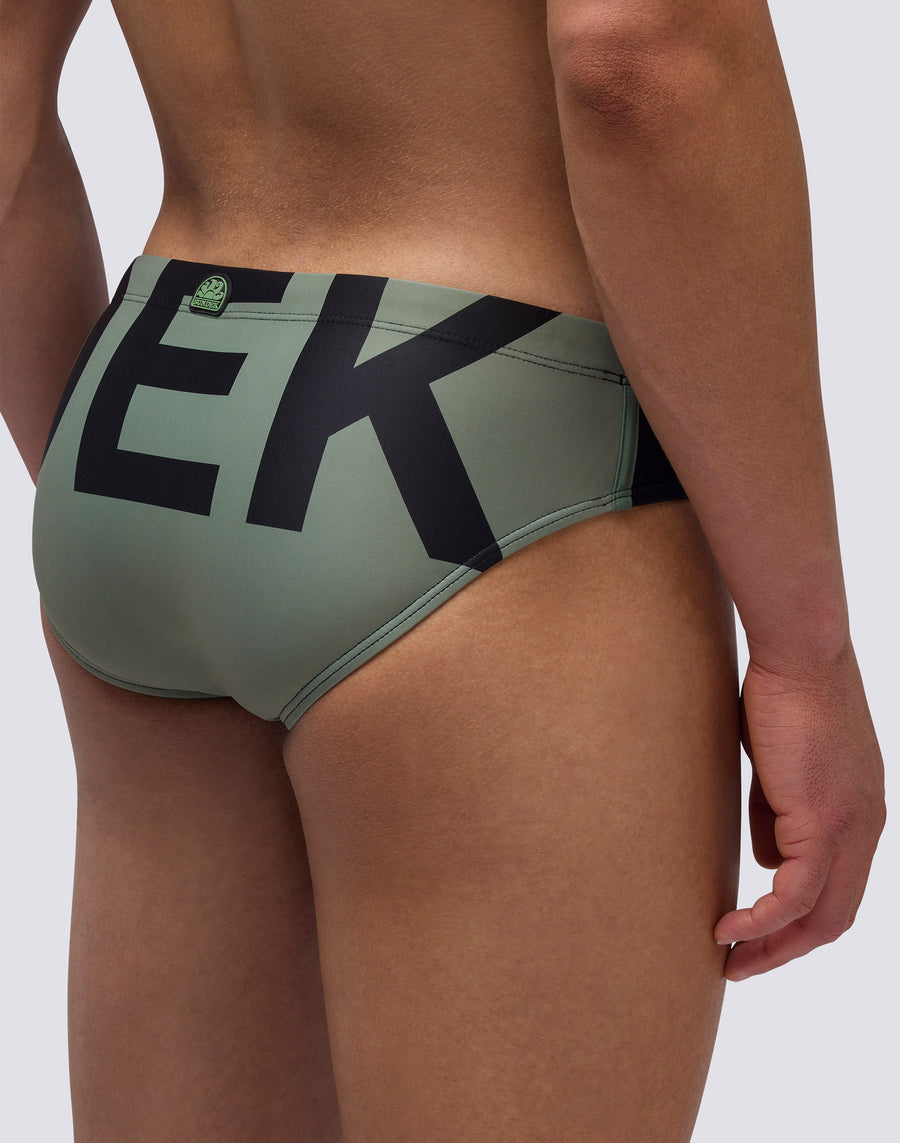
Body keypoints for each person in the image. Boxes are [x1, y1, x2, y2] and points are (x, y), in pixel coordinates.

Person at [0, 0, 886, 1139]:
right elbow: (638, 52)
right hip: (481, 428)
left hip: (148, 395)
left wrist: (118, 499)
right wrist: (805, 650)